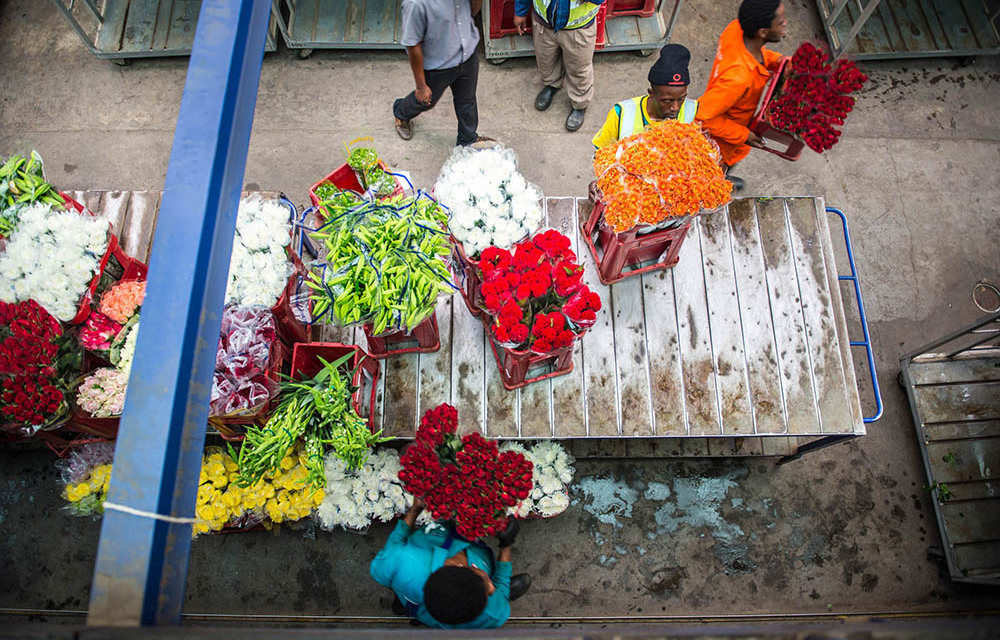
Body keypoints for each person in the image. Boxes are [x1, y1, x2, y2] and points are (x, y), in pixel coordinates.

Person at [370, 497, 532, 629]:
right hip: (421, 586)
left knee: (405, 592)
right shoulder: (491, 614)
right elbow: (500, 594)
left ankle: (405, 602)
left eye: (485, 586)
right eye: (487, 586)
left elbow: (385, 563)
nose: (491, 587)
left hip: (413, 582)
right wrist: (506, 544)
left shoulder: (403, 561)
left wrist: (415, 510)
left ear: (458, 567)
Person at [696, 0, 788, 190]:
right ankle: (717, 184)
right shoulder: (738, 78)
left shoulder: (737, 29)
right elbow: (702, 117)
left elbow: (758, 54)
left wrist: (776, 61)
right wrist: (744, 135)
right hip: (722, 143)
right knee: (711, 173)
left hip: (732, 119)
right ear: (762, 32)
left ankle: (722, 178)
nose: (785, 23)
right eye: (781, 22)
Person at [392, 0, 493, 146]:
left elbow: (471, 13)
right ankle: (401, 112)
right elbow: (413, 45)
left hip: (467, 55)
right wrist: (421, 87)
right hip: (439, 66)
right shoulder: (416, 4)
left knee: (467, 101)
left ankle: (467, 139)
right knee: (426, 101)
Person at [513, 0, 608, 132]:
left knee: (579, 68)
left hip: (578, 28)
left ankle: (580, 104)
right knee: (546, 59)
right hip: (543, 23)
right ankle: (552, 84)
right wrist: (520, 12)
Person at [591, 43, 699, 149]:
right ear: (651, 93)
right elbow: (600, 152)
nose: (675, 107)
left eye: (681, 99)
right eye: (667, 101)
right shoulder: (622, 114)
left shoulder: (695, 111)